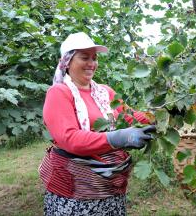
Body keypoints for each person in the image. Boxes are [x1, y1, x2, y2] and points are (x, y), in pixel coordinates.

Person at [39, 32, 156, 216]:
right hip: (75, 194)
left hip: (110, 189)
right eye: (84, 57)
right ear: (67, 61)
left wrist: (159, 115)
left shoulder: (105, 92)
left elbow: (129, 117)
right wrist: (118, 137)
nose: (91, 63)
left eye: (94, 58)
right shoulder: (59, 93)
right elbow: (70, 139)